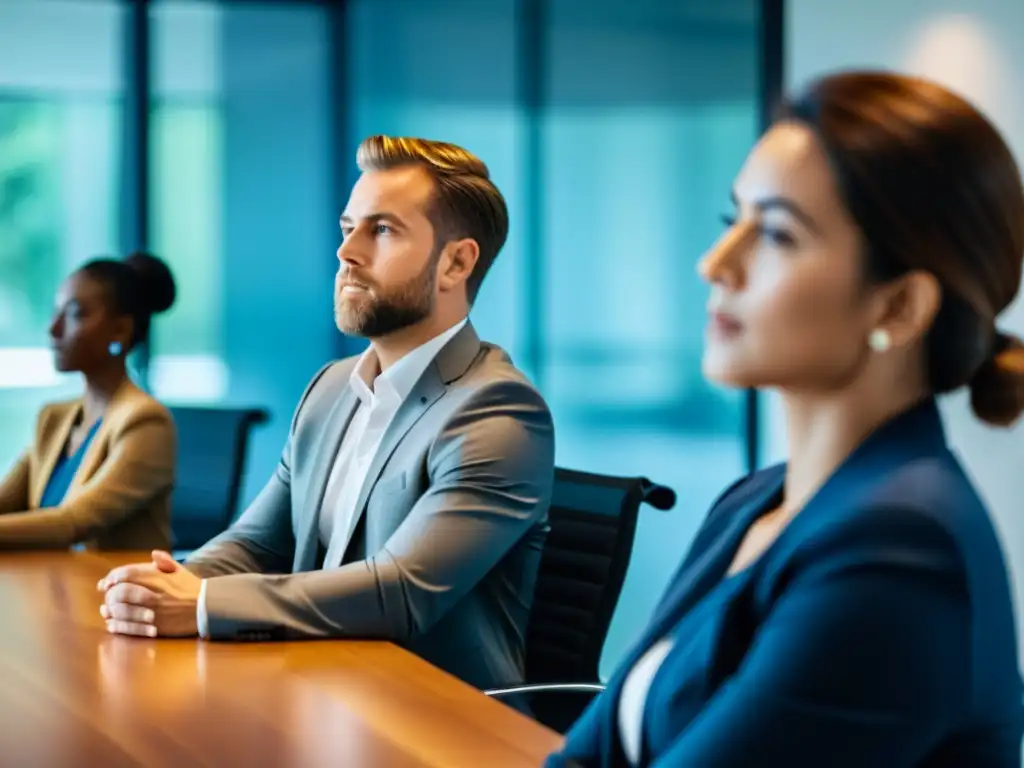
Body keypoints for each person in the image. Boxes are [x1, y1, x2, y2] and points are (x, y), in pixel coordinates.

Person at [546, 71, 1024, 767]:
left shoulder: (901, 549)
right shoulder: (757, 499)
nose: (716, 264)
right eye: (730, 221)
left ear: (898, 308)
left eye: (774, 233)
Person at [97, 136, 555, 692]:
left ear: (455, 263)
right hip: (325, 688)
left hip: (437, 720)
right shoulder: (332, 388)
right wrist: (169, 584)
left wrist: (202, 604)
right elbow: (259, 543)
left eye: (382, 230)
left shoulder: (496, 410)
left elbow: (402, 591)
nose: (347, 252)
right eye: (348, 229)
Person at [0, 253, 177, 550]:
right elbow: (6, 501)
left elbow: (71, 522)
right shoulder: (54, 418)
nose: (53, 329)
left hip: (111, 594)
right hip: (47, 586)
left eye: (74, 314)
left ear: (120, 330)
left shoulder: (147, 422)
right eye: (55, 313)